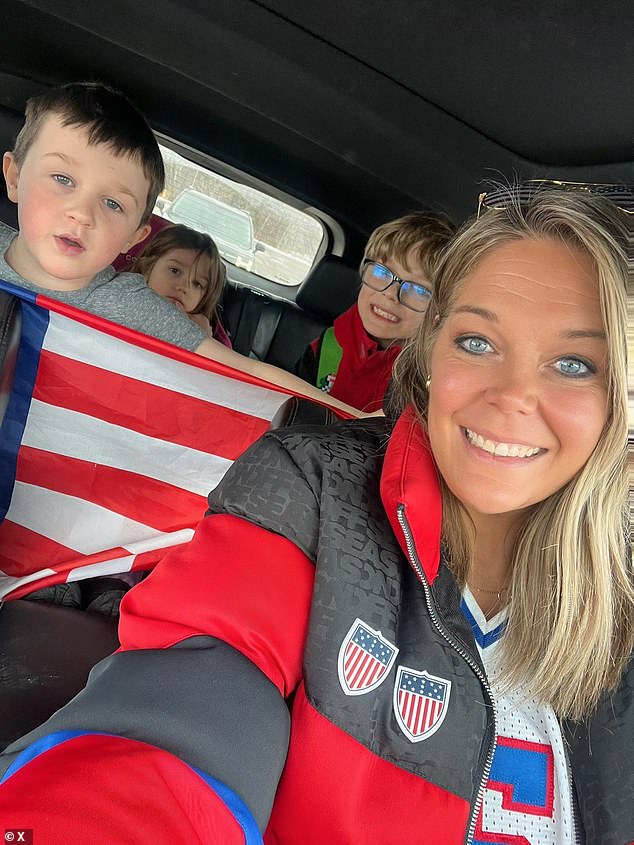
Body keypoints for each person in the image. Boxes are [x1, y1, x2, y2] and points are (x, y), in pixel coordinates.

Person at [1, 186, 631, 845]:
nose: (513, 398)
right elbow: (187, 696)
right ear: (433, 351)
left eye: (572, 363)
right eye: (477, 342)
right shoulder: (312, 490)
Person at [0, 81, 364, 417]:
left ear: (133, 238)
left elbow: (247, 371)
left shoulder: (130, 304)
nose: (82, 213)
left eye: (113, 204)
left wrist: (353, 416)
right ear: (15, 177)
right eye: (63, 179)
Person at [295, 211, 456, 411]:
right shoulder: (326, 346)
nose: (390, 294)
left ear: (439, 311)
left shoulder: (426, 381)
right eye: (381, 271)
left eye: (418, 289)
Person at [133, 222, 232, 347]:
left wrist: (201, 340)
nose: (184, 287)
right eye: (175, 271)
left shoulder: (206, 333)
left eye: (197, 284)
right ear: (147, 268)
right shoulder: (120, 300)